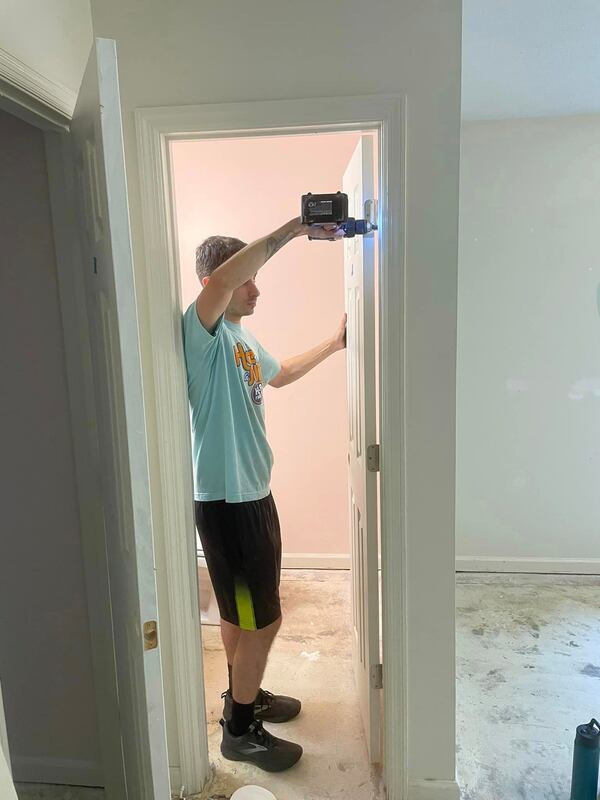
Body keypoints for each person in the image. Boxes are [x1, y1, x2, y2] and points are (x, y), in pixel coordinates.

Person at [182, 216, 346, 772]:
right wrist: (295, 229)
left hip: (254, 494)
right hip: (228, 504)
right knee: (262, 620)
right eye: (249, 279)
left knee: (240, 612)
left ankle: (242, 696)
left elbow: (280, 375)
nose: (258, 289)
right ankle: (239, 731)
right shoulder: (202, 329)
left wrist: (335, 343)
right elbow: (225, 283)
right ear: (218, 281)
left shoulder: (241, 337)